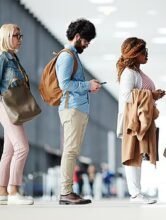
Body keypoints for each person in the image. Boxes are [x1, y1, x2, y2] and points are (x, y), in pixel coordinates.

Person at [0, 23, 34, 205]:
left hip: (14, 107)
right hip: (6, 107)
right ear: (6, 37)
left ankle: (1, 191)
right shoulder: (1, 59)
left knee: (9, 151)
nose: (19, 39)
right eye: (16, 35)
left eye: (20, 36)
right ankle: (14, 190)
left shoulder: (13, 59)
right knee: (22, 148)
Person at [57, 18, 101, 205]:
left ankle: (68, 191)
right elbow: (64, 84)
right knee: (70, 150)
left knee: (73, 151)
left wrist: (88, 86)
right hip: (72, 108)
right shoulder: (67, 56)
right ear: (77, 36)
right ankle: (65, 192)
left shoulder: (74, 55)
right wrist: (87, 85)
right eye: (86, 40)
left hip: (78, 109)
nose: (87, 44)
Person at [116, 37, 165, 204]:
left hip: (139, 120)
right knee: (132, 155)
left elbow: (141, 95)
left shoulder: (137, 72)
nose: (147, 54)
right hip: (132, 121)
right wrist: (151, 95)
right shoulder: (129, 74)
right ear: (134, 54)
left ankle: (137, 192)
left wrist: (154, 95)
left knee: (138, 155)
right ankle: (135, 194)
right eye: (143, 51)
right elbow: (127, 96)